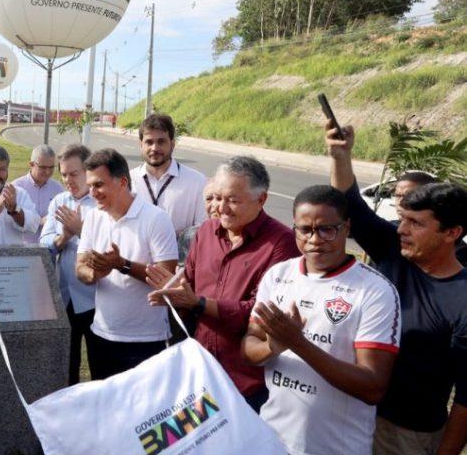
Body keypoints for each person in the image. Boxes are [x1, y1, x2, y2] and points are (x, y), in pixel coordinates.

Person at [326, 122, 467, 455]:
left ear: (451, 233)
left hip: (406, 434)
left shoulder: (463, 299)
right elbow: (353, 208)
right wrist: (340, 155)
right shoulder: (394, 249)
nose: (401, 229)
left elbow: (465, 400)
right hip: (349, 412)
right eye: (402, 218)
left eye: (415, 223)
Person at [241, 185, 401, 455]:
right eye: (305, 230)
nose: (315, 240)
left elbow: (372, 387)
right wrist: (272, 347)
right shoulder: (278, 275)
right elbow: (249, 347)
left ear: (347, 228)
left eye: (327, 229)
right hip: (273, 441)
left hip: (337, 447)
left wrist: (297, 343)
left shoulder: (375, 291)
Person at [148, 156, 297, 412]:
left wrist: (198, 303)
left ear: (261, 200)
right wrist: (174, 298)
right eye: (216, 198)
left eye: (233, 200)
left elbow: (260, 312)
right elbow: (190, 286)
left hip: (250, 384)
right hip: (201, 375)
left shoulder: (282, 243)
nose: (221, 208)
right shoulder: (206, 232)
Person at [76, 148, 178, 379]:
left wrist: (122, 265)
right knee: (106, 410)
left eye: (99, 185)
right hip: (101, 335)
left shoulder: (156, 219)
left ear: (122, 182)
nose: (92, 193)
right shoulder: (93, 216)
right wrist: (95, 273)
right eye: (90, 186)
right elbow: (80, 267)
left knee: (145, 413)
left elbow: (167, 277)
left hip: (145, 340)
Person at [39, 144, 96, 384]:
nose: (67, 180)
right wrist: (63, 237)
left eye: (74, 174)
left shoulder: (102, 202)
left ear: (88, 171)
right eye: (63, 174)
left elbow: (111, 248)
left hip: (96, 298)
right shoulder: (59, 201)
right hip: (65, 297)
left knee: (98, 363)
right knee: (66, 364)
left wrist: (81, 231)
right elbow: (43, 243)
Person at [131, 113, 207, 237]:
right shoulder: (128, 181)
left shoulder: (197, 182)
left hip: (179, 255)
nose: (154, 148)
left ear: (172, 144)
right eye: (149, 142)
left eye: (161, 142)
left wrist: (175, 236)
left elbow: (204, 228)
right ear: (141, 145)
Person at [13, 144, 63, 245]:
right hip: (20, 248)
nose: (48, 172)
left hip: (48, 249)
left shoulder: (58, 189)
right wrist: (39, 221)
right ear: (31, 164)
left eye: (51, 167)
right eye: (43, 167)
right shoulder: (16, 187)